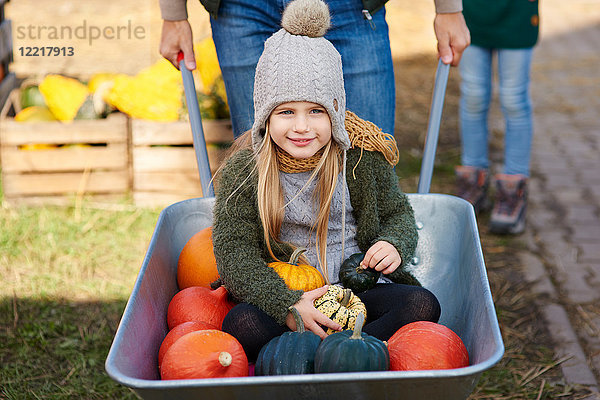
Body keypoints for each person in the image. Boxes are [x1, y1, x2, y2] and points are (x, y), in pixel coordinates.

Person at [210, 0, 440, 361]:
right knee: (242, 324)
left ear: (335, 111)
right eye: (286, 111)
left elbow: (399, 215)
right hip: (290, 296)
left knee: (421, 304)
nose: (301, 126)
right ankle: (334, 353)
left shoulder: (362, 159)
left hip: (356, 292)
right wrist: (287, 303)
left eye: (316, 111)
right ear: (264, 116)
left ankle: (334, 353)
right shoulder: (247, 169)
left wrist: (393, 243)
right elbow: (233, 252)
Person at [159, 0, 470, 138]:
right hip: (243, 7)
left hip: (348, 5)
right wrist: (173, 13)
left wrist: (448, 7)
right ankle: (275, 263)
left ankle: (362, 264)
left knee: (368, 152)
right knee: (260, 154)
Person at [455, 0, 539, 234]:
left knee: (514, 99)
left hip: (517, 14)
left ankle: (513, 190)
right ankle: (473, 182)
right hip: (469, 12)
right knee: (473, 96)